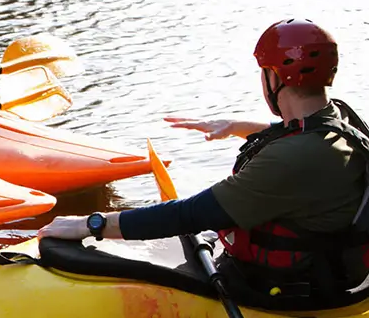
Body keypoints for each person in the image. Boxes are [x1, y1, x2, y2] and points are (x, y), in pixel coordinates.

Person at [38, 19, 369, 305]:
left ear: (275, 76)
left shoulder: (292, 161)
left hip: (284, 289)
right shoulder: (340, 118)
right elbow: (303, 136)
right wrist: (241, 127)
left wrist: (91, 224)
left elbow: (191, 214)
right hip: (330, 273)